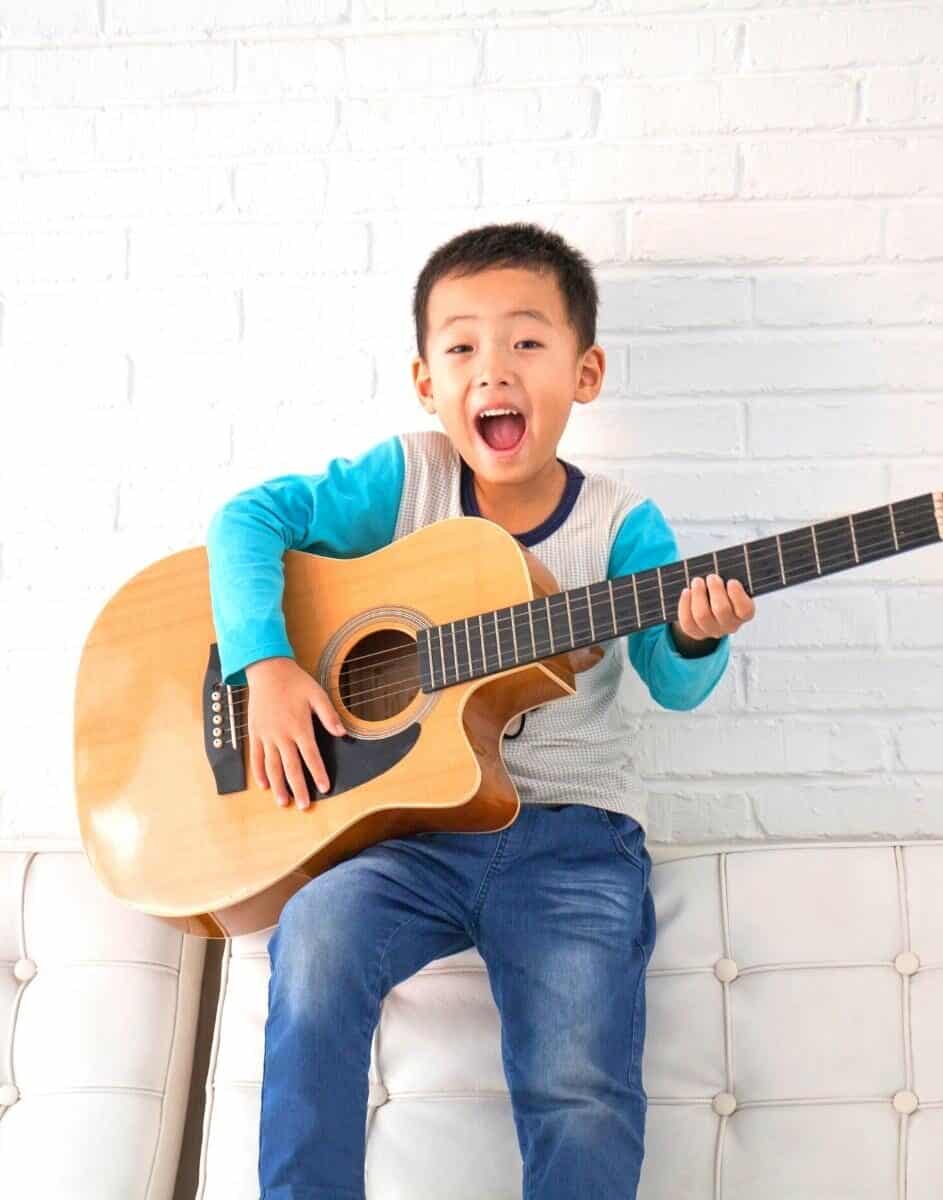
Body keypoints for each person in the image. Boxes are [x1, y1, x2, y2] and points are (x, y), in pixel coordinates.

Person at [205, 221, 757, 1200]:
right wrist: (268, 664)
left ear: (584, 375)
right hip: (411, 835)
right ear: (427, 383)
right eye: (461, 346)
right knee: (317, 940)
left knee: (579, 1087)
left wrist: (698, 634)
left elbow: (669, 682)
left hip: (573, 838)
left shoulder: (625, 527)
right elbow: (246, 520)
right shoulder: (406, 479)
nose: (492, 370)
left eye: (527, 343)